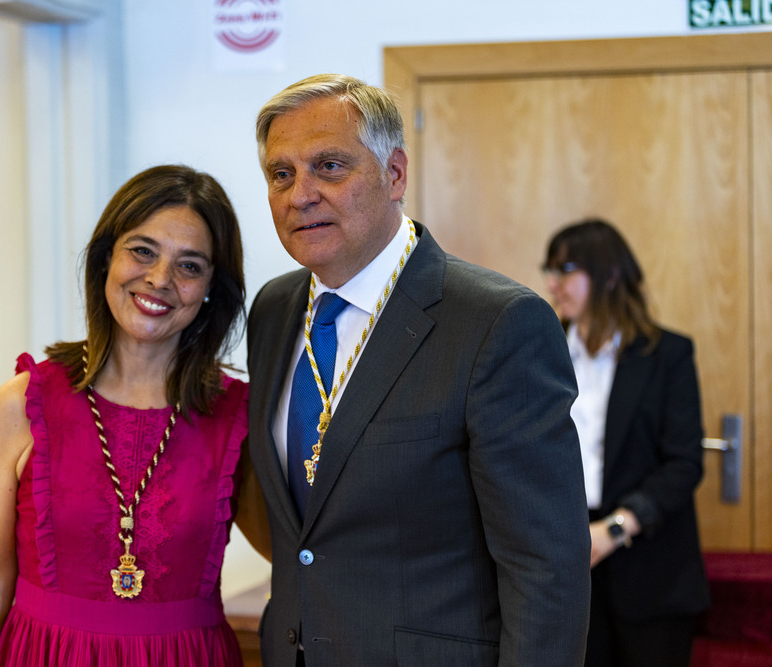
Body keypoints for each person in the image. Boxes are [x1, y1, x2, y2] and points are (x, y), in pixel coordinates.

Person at [246, 73, 591, 666]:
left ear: (395, 174)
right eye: (282, 174)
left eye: (330, 166)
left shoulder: (496, 322)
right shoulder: (274, 310)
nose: (300, 193)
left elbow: (546, 569)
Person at [0, 165, 258, 666]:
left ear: (210, 291)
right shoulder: (21, 405)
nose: (160, 279)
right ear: (105, 259)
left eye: (190, 265)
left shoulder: (240, 417)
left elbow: (298, 552)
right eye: (143, 251)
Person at [543, 218, 710, 667]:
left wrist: (616, 528)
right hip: (564, 561)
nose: (552, 283)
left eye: (566, 269)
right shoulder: (541, 350)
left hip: (650, 565)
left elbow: (684, 462)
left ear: (610, 275)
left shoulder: (667, 354)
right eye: (550, 270)